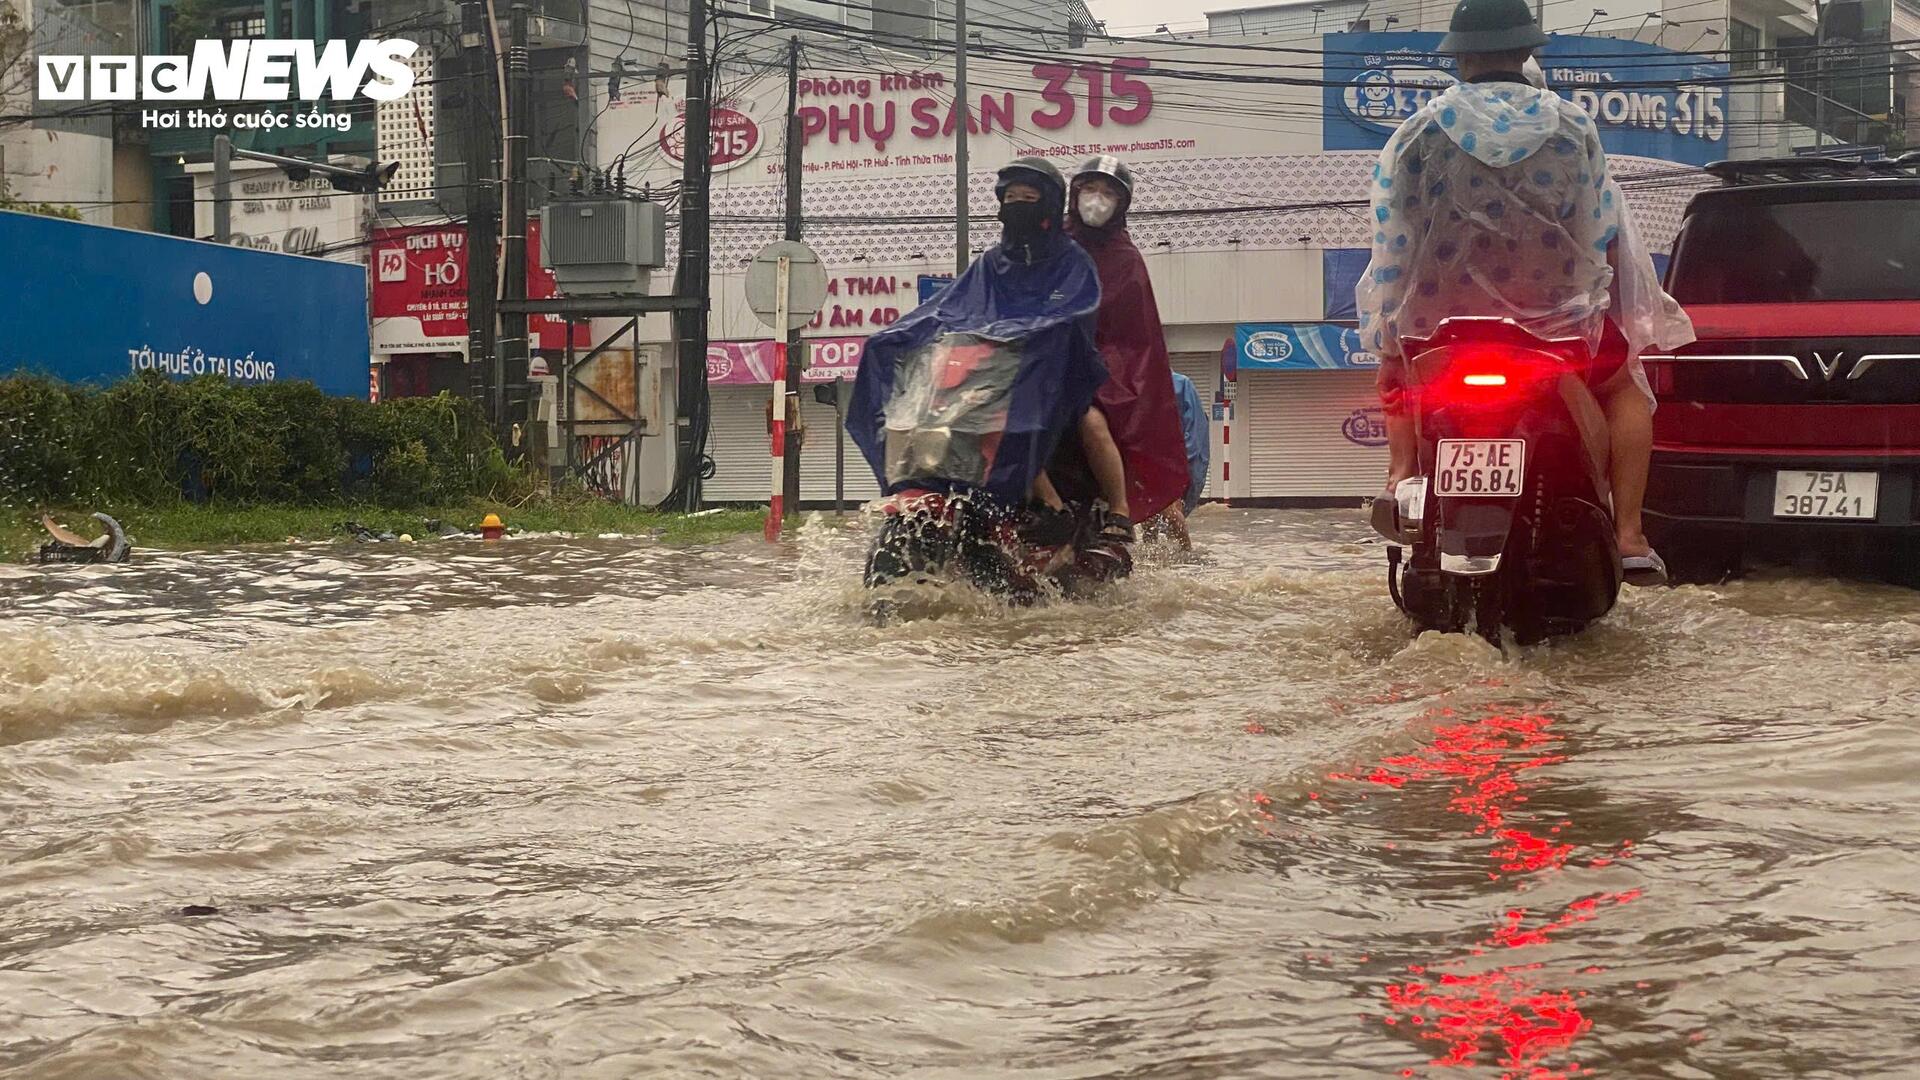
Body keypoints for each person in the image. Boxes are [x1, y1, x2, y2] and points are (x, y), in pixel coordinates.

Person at [1355, 0, 1695, 586]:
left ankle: (1400, 477)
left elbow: (1392, 242)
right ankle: (1631, 535)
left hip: (1440, 330)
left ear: (1459, 56)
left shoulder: (1414, 135)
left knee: (1393, 376)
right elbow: (1597, 230)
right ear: (1527, 49)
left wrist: (1388, 339)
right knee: (1626, 385)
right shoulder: (1573, 128)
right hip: (1554, 332)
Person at [846, 157, 1108, 515]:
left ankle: (1054, 504)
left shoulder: (1072, 261)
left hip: (1045, 372)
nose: (1017, 205)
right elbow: (945, 309)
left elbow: (1075, 313)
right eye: (1010, 197)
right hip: (986, 372)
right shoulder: (991, 263)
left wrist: (1030, 334)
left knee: (1035, 421)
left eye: (1028, 198)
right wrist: (898, 334)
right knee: (929, 401)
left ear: (1048, 204)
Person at [1048, 154, 1192, 547]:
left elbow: (1134, 341)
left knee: (1090, 420)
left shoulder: (1126, 260)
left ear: (1121, 205)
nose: (1096, 200)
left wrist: (1089, 367)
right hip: (1038, 364)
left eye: (1108, 193)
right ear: (1073, 194)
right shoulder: (1047, 245)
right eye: (1089, 190)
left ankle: (1119, 510)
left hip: (1097, 374)